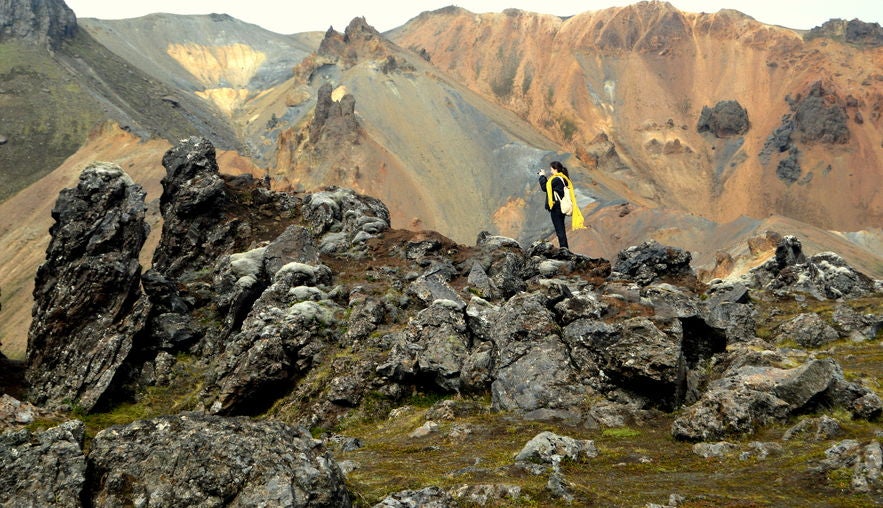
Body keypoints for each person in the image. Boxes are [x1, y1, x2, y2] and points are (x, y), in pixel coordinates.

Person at [538, 160, 585, 249]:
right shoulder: (562, 178)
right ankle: (564, 248)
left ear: (555, 169)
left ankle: (564, 249)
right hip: (560, 207)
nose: (551, 171)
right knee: (561, 229)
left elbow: (545, 187)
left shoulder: (556, 179)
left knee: (560, 230)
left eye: (551, 169)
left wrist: (542, 176)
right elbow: (549, 186)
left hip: (556, 208)